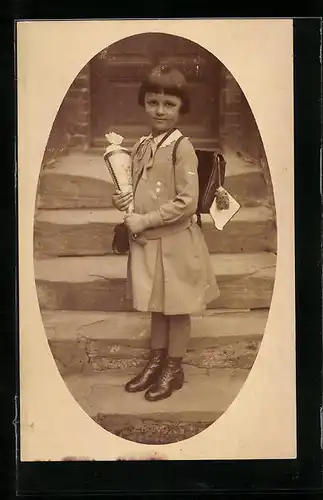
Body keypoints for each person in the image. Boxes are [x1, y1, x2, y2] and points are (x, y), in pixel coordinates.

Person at [112, 64, 220, 402]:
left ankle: (174, 368)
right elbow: (135, 186)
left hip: (177, 243)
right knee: (158, 307)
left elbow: (187, 202)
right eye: (153, 102)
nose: (160, 110)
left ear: (180, 108)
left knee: (178, 308)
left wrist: (144, 221)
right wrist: (121, 198)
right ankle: (155, 363)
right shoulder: (142, 144)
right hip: (151, 245)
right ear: (144, 103)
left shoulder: (181, 147)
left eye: (169, 104)